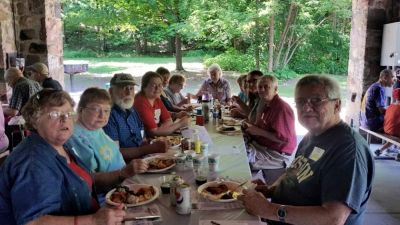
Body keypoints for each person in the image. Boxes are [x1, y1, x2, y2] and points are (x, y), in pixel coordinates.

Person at [239, 75, 374, 225]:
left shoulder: (348, 150)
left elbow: (333, 218)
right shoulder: (313, 135)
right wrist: (271, 189)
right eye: (300, 101)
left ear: (337, 105)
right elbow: (295, 172)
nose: (306, 107)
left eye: (316, 100)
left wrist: (268, 209)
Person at [0, 89, 126, 225]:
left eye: (69, 113)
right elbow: (33, 222)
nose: (65, 119)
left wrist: (122, 174)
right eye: (55, 114)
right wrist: (93, 220)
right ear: (35, 120)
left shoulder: (60, 146)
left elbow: (81, 180)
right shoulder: (33, 162)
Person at [67, 87, 148, 186]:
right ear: (81, 110)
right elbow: (89, 178)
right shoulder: (75, 137)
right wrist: (123, 173)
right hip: (106, 194)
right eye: (96, 109)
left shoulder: (96, 128)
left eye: (106, 111)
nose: (102, 116)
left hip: (124, 181)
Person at [103, 73, 170, 161]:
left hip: (145, 160)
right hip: (126, 167)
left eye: (131, 88)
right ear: (111, 91)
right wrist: (148, 149)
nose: (129, 92)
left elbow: (143, 139)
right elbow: (115, 153)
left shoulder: (132, 110)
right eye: (124, 88)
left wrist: (153, 143)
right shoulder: (107, 116)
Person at [242, 75, 296, 184]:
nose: (261, 89)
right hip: (262, 146)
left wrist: (258, 131)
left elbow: (284, 140)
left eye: (266, 87)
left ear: (275, 89)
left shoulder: (281, 108)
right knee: (236, 146)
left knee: (240, 159)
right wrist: (251, 127)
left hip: (277, 154)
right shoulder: (266, 103)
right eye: (260, 87)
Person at [133, 71, 189, 137]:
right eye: (154, 85)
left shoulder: (156, 98)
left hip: (158, 137)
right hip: (147, 142)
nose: (157, 88)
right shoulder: (141, 103)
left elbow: (168, 120)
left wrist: (162, 130)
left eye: (160, 85)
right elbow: (154, 132)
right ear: (144, 87)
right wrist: (180, 124)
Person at [375, 88, 400, 156]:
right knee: (396, 135)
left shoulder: (390, 106)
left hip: (387, 130)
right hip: (395, 132)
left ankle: (380, 150)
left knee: (395, 135)